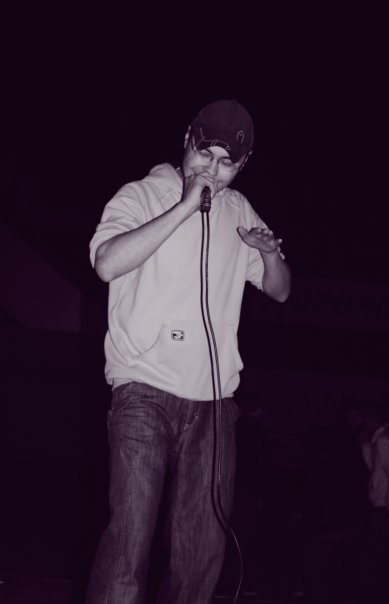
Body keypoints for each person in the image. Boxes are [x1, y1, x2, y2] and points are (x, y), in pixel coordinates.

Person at [85, 99, 291, 604]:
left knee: (201, 554)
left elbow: (280, 290)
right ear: (187, 140)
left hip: (214, 405)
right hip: (142, 390)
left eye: (226, 164)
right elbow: (106, 263)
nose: (211, 171)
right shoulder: (141, 194)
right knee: (129, 544)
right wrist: (183, 206)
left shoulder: (238, 209)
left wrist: (267, 252)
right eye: (204, 154)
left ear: (243, 164)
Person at [348, 401, 389, 604]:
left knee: (378, 555)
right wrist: (365, 446)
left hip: (384, 506)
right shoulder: (383, 439)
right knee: (382, 554)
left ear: (372, 419)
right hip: (384, 503)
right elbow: (378, 470)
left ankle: (377, 596)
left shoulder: (383, 440)